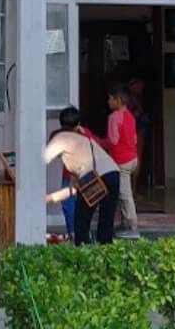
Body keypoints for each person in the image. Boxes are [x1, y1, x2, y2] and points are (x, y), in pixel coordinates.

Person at [44, 124, 121, 245]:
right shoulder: (79, 144)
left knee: (81, 220)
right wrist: (49, 198)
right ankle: (106, 251)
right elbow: (73, 189)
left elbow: (42, 159)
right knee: (106, 220)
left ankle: (82, 250)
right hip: (113, 173)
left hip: (94, 178)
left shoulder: (59, 138)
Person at [55, 106, 98, 237]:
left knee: (83, 207)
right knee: (69, 207)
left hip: (85, 177)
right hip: (69, 178)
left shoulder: (86, 134)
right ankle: (74, 234)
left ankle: (82, 234)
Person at [105, 83, 140, 238]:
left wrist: (98, 142)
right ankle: (124, 222)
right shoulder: (130, 116)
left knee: (125, 194)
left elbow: (112, 141)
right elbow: (134, 138)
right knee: (121, 191)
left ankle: (132, 227)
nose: (108, 102)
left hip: (121, 160)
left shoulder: (113, 117)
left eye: (110, 99)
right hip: (133, 158)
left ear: (117, 100)